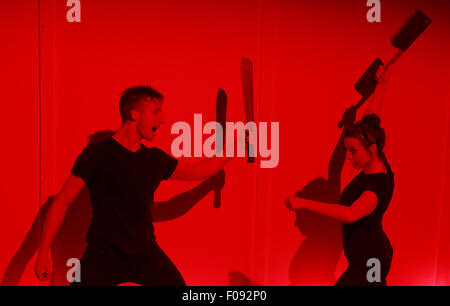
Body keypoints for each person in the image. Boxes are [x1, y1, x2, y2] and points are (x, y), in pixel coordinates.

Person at [34, 85, 233, 286]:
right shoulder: (96, 155)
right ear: (134, 114)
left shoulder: (154, 160)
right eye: (156, 111)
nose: (162, 119)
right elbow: (62, 202)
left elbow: (199, 171)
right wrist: (43, 252)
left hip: (144, 252)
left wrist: (234, 148)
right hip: (102, 256)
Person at [285, 65, 395, 286]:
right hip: (363, 259)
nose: (349, 157)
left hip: (372, 261)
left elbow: (350, 214)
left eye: (353, 151)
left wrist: (305, 203)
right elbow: (370, 122)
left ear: (372, 148)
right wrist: (382, 85)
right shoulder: (373, 159)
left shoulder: (376, 186)